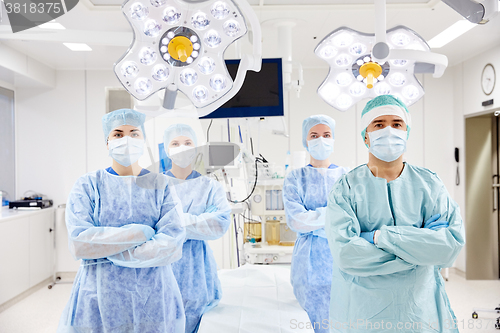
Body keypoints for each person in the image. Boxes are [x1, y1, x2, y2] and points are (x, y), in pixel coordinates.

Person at [326, 95, 465, 333]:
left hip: (419, 315)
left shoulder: (429, 185)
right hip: (364, 316)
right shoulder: (346, 189)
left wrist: (379, 237)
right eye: (379, 124)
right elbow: (346, 254)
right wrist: (419, 253)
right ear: (366, 136)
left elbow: (449, 246)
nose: (389, 130)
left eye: (396, 124)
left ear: (406, 132)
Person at [58, 109, 186, 333]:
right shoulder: (88, 185)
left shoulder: (162, 185)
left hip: (153, 296)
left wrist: (108, 249)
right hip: (98, 294)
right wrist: (142, 233)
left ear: (143, 140)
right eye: (118, 134)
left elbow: (172, 244)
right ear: (107, 142)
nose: (126, 140)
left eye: (133, 133)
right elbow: (79, 242)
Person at [282, 115, 349, 333]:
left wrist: (314, 218)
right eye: (314, 135)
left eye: (326, 135)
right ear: (305, 140)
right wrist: (333, 214)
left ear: (334, 138)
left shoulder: (346, 177)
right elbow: (296, 220)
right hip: (308, 263)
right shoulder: (294, 178)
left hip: (342, 258)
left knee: (343, 319)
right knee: (309, 323)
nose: (321, 139)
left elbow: (353, 217)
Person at [163, 123, 231, 333]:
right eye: (175, 143)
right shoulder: (155, 185)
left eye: (187, 142)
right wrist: (198, 221)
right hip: (161, 271)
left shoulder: (210, 187)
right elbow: (149, 226)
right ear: (167, 149)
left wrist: (173, 222)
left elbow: (219, 222)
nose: (182, 147)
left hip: (198, 274)